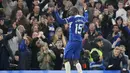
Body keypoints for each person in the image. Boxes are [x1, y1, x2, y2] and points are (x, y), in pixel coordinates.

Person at [54, 6, 87, 73]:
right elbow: (85, 26)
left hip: (73, 40)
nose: (69, 14)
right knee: (76, 60)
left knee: (66, 59)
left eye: (70, 12)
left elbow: (60, 21)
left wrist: (56, 12)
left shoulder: (72, 18)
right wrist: (85, 11)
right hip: (79, 41)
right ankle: (80, 72)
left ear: (73, 12)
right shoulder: (83, 18)